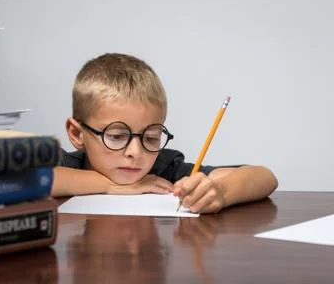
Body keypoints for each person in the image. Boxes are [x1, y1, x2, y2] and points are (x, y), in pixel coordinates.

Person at [51, 53, 278, 213]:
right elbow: (26, 179)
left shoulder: (164, 171)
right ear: (77, 134)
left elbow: (264, 177)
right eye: (117, 136)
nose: (135, 152)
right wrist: (113, 186)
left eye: (150, 137)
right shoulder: (67, 165)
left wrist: (220, 192)